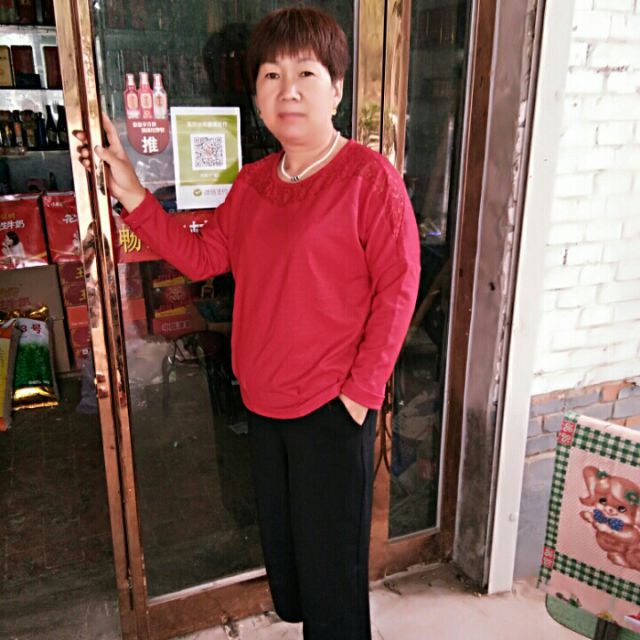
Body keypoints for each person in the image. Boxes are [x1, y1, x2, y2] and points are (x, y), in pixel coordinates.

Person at [76, 7, 420, 639]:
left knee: (333, 583)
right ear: (256, 94)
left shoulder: (368, 179)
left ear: (337, 89)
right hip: (264, 404)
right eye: (271, 75)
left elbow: (398, 290)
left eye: (306, 73)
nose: (288, 90)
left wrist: (360, 394)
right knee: (291, 567)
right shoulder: (254, 183)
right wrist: (131, 192)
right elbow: (202, 257)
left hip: (331, 410)